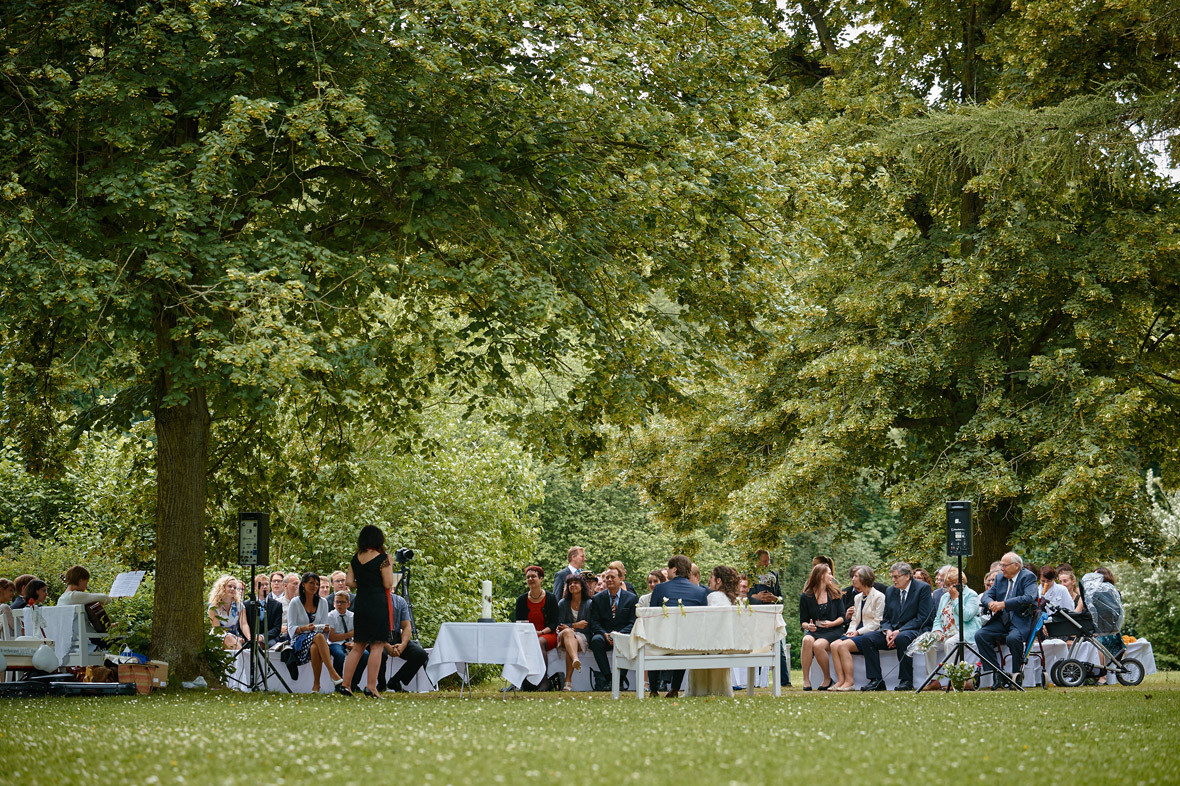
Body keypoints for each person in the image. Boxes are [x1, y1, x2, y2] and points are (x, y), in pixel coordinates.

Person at [852, 561, 933, 691]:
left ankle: (906, 680)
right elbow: (886, 618)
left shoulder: (922, 588)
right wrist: (888, 631)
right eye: (892, 577)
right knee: (868, 638)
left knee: (902, 637)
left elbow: (923, 617)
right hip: (893, 631)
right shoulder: (890, 591)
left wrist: (899, 631)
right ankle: (876, 680)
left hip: (916, 629)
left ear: (907, 576)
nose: (893, 580)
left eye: (896, 576)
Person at [342, 524, 395, 698]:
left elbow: (349, 582)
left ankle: (346, 685)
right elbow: (388, 584)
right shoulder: (383, 558)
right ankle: (371, 687)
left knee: (358, 646)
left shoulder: (355, 558)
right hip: (378, 604)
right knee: (377, 646)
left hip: (362, 603)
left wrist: (364, 584)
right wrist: (390, 567)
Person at [974, 551, 1038, 688]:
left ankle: (1017, 674)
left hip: (1020, 620)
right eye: (1001, 565)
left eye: (1004, 565)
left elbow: (1029, 597)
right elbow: (986, 595)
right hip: (1001, 620)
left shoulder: (1028, 577)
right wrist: (990, 603)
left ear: (1016, 566)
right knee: (981, 635)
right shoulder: (1000, 578)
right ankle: (998, 673)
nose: (1001, 568)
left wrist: (1004, 604)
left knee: (1013, 638)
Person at [648, 555, 709, 696]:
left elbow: (652, 615)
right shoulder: (700, 592)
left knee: (655, 638)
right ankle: (675, 688)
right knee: (683, 638)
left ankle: (653, 690)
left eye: (669, 569)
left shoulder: (659, 589)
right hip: (690, 643)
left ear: (674, 570)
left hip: (662, 640)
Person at [920, 566, 980, 689]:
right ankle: (932, 680)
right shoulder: (944, 597)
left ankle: (955, 679)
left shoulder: (971, 595)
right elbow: (938, 618)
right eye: (949, 584)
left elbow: (967, 616)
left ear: (962, 582)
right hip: (946, 631)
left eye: (955, 584)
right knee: (928, 642)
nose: (952, 587)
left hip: (964, 631)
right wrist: (937, 630)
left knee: (950, 643)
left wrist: (955, 599)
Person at [286, 572, 346, 693]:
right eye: (311, 583)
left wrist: (325, 628)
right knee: (318, 637)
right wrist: (305, 628)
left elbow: (324, 626)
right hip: (299, 640)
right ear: (303, 584)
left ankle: (316, 686)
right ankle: (333, 673)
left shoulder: (323, 602)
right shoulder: (295, 602)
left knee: (315, 647)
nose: (315, 586)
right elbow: (291, 628)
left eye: (317, 584)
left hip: (318, 639)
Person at [686, 565, 741, 697]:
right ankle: (720, 689)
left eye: (711, 576)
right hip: (729, 643)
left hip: (714, 643)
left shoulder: (714, 597)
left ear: (719, 581)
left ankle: (699, 689)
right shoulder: (735, 600)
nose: (709, 580)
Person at [830, 566, 885, 691]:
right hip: (856, 632)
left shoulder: (879, 596)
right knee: (834, 645)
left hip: (869, 633)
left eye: (856, 576)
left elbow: (877, 622)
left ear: (864, 578)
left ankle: (850, 682)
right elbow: (854, 619)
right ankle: (840, 680)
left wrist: (858, 632)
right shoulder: (857, 597)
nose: (853, 579)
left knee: (843, 646)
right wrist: (850, 631)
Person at [588, 567, 638, 691]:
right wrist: (605, 634)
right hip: (605, 635)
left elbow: (633, 622)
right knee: (595, 641)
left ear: (620, 579)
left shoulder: (631, 598)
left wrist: (618, 635)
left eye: (612, 577)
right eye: (607, 578)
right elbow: (594, 621)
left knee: (629, 641)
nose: (609, 580)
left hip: (623, 635)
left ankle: (620, 680)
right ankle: (609, 678)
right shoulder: (597, 598)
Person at [799, 564, 844, 690]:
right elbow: (803, 621)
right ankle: (806, 680)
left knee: (818, 645)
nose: (831, 576)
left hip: (833, 629)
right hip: (815, 630)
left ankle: (827, 678)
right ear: (820, 576)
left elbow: (842, 617)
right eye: (829, 573)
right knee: (807, 640)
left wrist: (831, 623)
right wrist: (808, 626)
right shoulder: (806, 596)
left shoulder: (835, 593)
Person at [749, 549, 790, 687]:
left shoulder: (774, 575)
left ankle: (784, 681)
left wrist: (775, 598)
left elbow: (781, 598)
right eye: (764, 561)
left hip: (771, 616)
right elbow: (744, 597)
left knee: (778, 647)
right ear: (757, 561)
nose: (767, 564)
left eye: (768, 560)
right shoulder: (750, 575)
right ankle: (756, 681)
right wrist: (756, 597)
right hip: (754, 616)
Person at [382, 589, 429, 692]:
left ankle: (395, 681)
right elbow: (372, 628)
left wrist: (403, 644)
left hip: (396, 635)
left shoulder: (400, 601)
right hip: (379, 637)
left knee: (420, 654)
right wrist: (386, 645)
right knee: (381, 654)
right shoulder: (374, 601)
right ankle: (381, 685)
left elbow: (407, 626)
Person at [556, 573, 592, 691]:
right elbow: (560, 625)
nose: (572, 585)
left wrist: (570, 627)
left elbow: (589, 626)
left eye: (575, 583)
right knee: (567, 633)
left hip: (582, 636)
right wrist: (575, 626)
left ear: (582, 586)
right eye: (570, 583)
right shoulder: (562, 603)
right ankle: (575, 659)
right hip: (564, 635)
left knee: (571, 642)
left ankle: (568, 681)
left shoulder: (589, 603)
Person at [515, 565, 559, 657]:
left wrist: (541, 632)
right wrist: (529, 633)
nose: (530, 579)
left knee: (539, 643)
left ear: (541, 579)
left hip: (547, 634)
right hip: (527, 635)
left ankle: (543, 672)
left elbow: (554, 623)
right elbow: (519, 622)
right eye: (528, 577)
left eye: (533, 576)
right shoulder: (521, 600)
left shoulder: (550, 598)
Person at [636, 570, 668, 693]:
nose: (652, 584)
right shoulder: (644, 599)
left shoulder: (666, 598)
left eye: (655, 581)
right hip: (646, 633)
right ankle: (648, 683)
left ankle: (662, 682)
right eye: (650, 582)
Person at [207, 574, 250, 650]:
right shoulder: (213, 607)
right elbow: (217, 629)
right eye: (230, 586)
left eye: (235, 587)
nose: (233, 589)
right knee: (228, 638)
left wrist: (250, 639)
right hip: (219, 637)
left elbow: (244, 624)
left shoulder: (239, 606)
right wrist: (233, 637)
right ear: (222, 587)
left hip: (236, 638)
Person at [326, 590, 354, 677]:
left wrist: (353, 642)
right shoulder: (330, 616)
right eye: (337, 602)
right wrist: (350, 634)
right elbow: (332, 638)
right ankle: (338, 682)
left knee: (365, 655)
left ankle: (354, 683)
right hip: (335, 644)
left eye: (342, 602)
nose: (339, 604)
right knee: (339, 655)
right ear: (334, 603)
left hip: (350, 642)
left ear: (348, 604)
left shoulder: (353, 616)